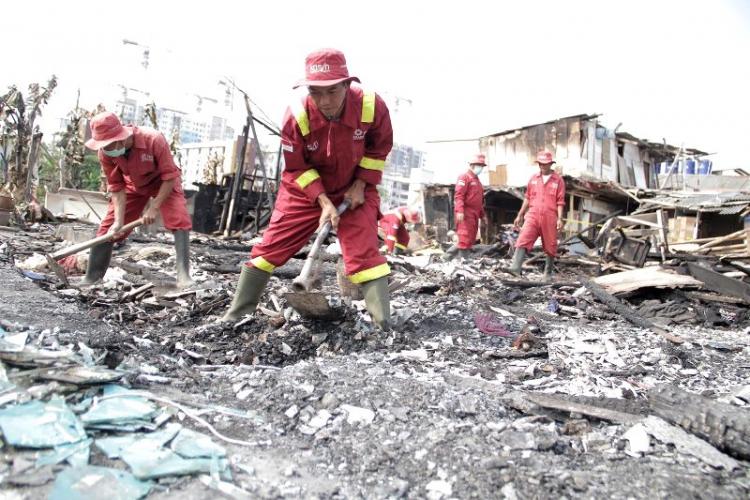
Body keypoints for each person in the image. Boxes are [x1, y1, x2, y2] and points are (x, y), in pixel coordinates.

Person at [221, 48, 393, 328]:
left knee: (364, 253)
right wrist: (323, 201)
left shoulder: (372, 105)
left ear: (348, 85)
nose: (324, 101)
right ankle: (235, 316)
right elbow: (297, 166)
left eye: (332, 91)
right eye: (315, 92)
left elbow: (379, 147)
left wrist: (361, 184)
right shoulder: (297, 115)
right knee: (269, 249)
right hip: (304, 189)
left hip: (355, 185)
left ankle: (384, 327)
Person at [82, 112, 192, 287]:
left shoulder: (153, 139)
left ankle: (184, 277)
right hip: (133, 185)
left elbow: (170, 176)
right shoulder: (105, 154)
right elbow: (116, 187)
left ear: (120, 138)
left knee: (179, 218)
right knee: (108, 228)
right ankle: (92, 278)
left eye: (109, 144)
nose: (107, 149)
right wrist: (118, 221)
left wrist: (154, 207)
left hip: (163, 182)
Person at [510, 150, 566, 280]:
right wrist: (520, 215)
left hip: (550, 216)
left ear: (551, 164)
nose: (542, 166)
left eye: (545, 164)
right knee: (523, 237)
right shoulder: (533, 179)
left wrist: (560, 218)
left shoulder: (558, 180)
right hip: (533, 214)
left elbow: (560, 201)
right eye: (540, 163)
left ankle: (548, 273)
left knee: (551, 244)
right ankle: (515, 268)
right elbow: (527, 198)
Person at [448, 154, 486, 259]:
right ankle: (463, 262)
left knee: (470, 239)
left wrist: (483, 216)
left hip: (474, 214)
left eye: (482, 166)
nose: (481, 168)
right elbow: (459, 195)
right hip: (465, 213)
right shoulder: (464, 177)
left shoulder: (478, 182)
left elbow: (479, 202)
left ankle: (449, 258)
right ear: (472, 165)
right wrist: (459, 210)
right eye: (479, 165)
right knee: (464, 238)